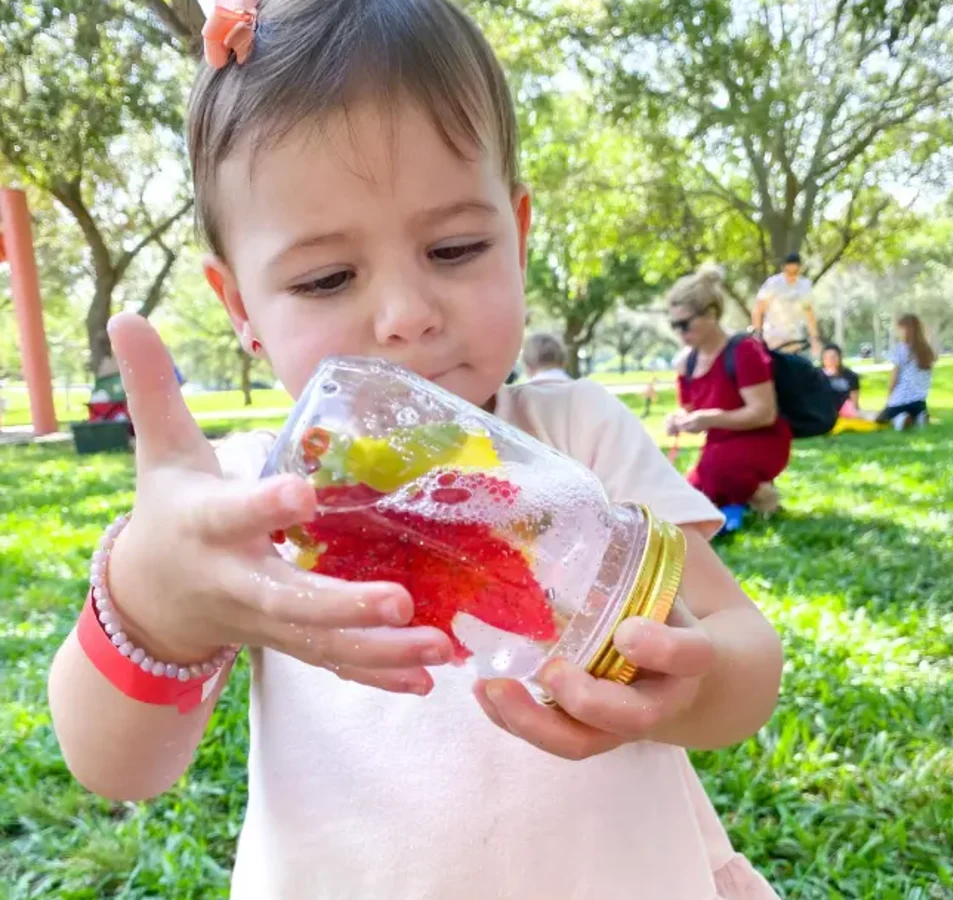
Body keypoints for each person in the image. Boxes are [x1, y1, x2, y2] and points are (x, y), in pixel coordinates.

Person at [47, 3, 783, 898]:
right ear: (239, 305)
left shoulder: (578, 435)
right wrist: (158, 601)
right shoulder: (249, 503)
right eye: (326, 278)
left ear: (516, 233)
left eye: (454, 247)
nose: (406, 315)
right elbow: (118, 768)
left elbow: (739, 643)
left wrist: (688, 691)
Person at [666, 265, 792, 515]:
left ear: (712, 314)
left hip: (761, 441)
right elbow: (689, 408)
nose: (680, 333)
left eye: (685, 324)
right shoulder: (686, 363)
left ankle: (763, 496)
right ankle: (746, 495)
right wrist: (679, 419)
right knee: (689, 496)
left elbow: (764, 413)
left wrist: (711, 418)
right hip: (718, 446)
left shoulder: (744, 351)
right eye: (674, 325)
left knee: (717, 471)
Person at [751, 252, 822, 357]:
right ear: (784, 268)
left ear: (800, 269)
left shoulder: (805, 286)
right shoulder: (773, 284)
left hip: (794, 336)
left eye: (795, 272)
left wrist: (814, 338)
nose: (791, 275)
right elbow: (758, 309)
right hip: (773, 335)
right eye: (789, 271)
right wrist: (757, 333)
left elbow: (809, 313)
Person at [878, 313, 936, 430]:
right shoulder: (927, 351)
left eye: (899, 329)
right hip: (920, 401)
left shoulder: (901, 349)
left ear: (905, 330)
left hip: (900, 401)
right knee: (916, 411)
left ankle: (900, 419)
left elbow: (894, 378)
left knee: (884, 418)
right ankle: (919, 416)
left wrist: (889, 397)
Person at [821, 343, 863, 417]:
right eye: (826, 357)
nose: (830, 360)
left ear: (840, 357)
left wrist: (854, 411)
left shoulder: (851, 376)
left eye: (833, 357)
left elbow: (854, 400)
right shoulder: (817, 375)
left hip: (846, 412)